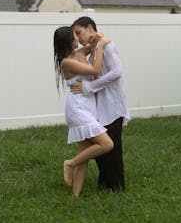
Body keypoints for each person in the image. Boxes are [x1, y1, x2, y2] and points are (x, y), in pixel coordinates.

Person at [71, 17, 130, 192]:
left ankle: (115, 188)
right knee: (103, 152)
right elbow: (81, 53)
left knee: (113, 150)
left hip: (112, 106)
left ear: (89, 27)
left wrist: (90, 87)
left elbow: (117, 72)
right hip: (100, 107)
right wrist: (96, 41)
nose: (77, 37)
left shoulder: (108, 46)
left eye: (78, 32)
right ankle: (105, 185)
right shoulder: (97, 46)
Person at [53, 26, 114, 197]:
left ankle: (75, 197)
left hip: (88, 106)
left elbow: (97, 40)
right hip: (77, 109)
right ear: (67, 41)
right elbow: (95, 70)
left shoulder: (79, 54)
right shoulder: (66, 61)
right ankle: (70, 163)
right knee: (106, 144)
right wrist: (101, 46)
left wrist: (98, 38)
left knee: (84, 154)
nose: (78, 38)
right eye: (75, 36)